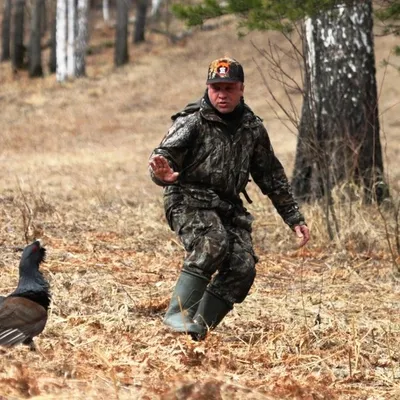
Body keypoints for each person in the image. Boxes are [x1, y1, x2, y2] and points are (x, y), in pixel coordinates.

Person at [148, 56, 310, 340]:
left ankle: (196, 330)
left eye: (229, 88)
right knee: (213, 243)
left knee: (242, 267)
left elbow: (271, 176)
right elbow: (163, 157)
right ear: (208, 89)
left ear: (242, 89)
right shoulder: (192, 121)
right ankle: (178, 317)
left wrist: (293, 217)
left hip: (226, 206)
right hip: (187, 198)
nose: (222, 94)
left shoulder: (253, 129)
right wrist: (162, 173)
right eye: (216, 88)